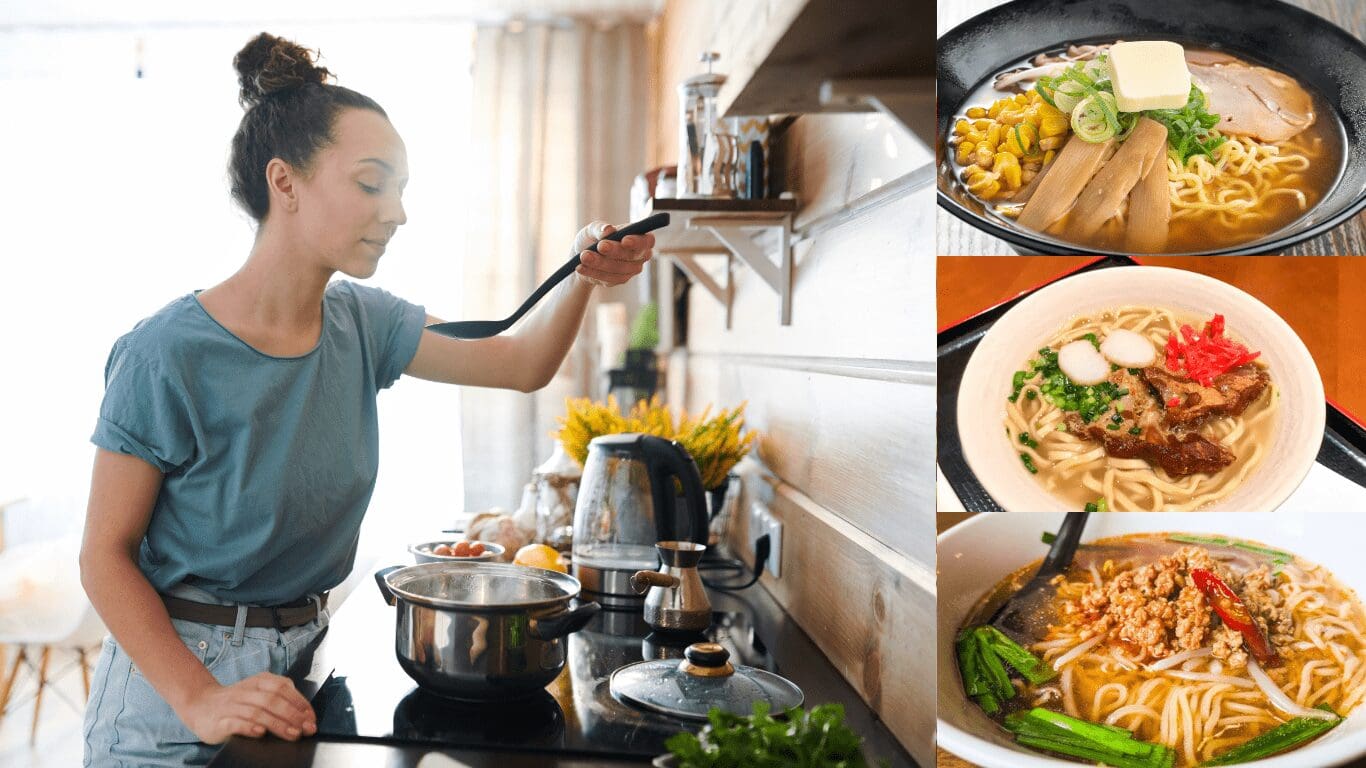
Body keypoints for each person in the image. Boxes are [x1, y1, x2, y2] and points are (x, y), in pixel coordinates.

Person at [78, 32, 653, 767]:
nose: (398, 213)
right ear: (284, 182)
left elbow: (520, 362)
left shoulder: (362, 322)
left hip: (305, 660)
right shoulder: (165, 353)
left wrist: (583, 270)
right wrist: (200, 698)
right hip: (174, 685)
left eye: (401, 189)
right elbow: (104, 556)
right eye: (373, 184)